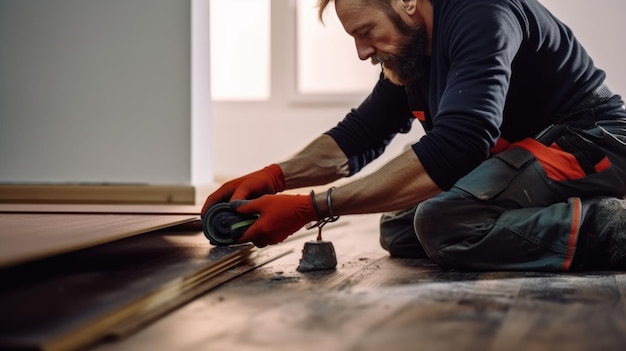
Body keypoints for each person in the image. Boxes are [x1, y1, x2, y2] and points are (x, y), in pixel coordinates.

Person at [202, 0, 626, 271]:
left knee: (443, 223)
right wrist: (276, 175)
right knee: (400, 228)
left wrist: (314, 207)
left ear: (405, 2)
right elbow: (359, 135)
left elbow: (459, 144)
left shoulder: (481, 14)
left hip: (591, 142)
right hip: (532, 154)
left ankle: (608, 225)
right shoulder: (412, 52)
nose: (362, 51)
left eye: (365, 31)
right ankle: (567, 216)